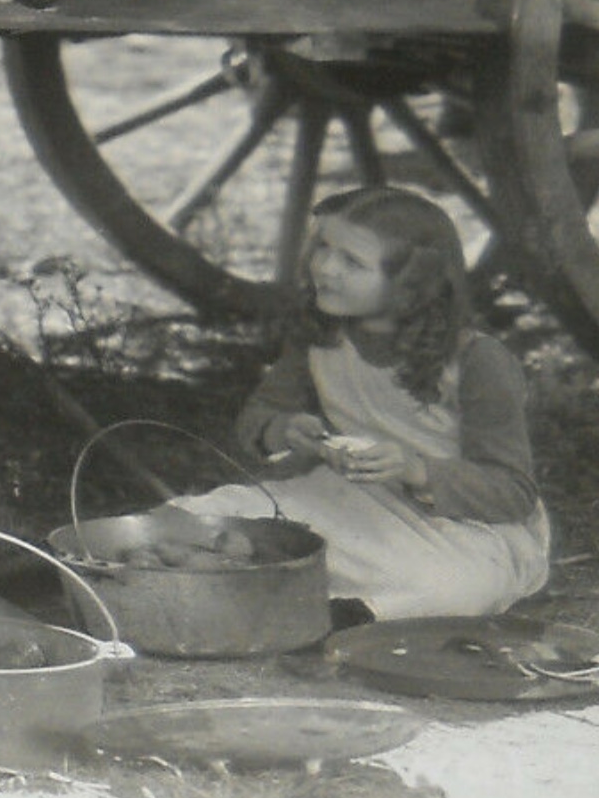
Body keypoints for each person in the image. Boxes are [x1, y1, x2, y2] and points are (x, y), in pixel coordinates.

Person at [177, 186, 550, 622]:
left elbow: (513, 492)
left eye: (351, 262)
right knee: (200, 516)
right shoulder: (323, 337)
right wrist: (284, 429)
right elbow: (258, 418)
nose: (324, 268)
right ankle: (280, 595)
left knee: (450, 584)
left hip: (459, 526)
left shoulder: (477, 360)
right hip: (347, 499)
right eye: (324, 248)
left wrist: (416, 469)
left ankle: (340, 615)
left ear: (410, 285)